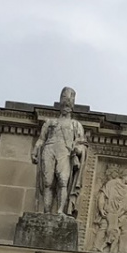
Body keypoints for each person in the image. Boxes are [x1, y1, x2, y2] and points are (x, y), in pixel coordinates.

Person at [32, 86, 88, 216]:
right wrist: (34, 151)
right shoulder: (50, 122)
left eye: (69, 102)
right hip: (49, 149)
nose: (66, 106)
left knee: (63, 181)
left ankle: (60, 211)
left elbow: (81, 143)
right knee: (48, 182)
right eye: (64, 101)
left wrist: (78, 150)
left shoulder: (76, 125)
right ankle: (47, 212)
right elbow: (41, 139)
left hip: (65, 152)